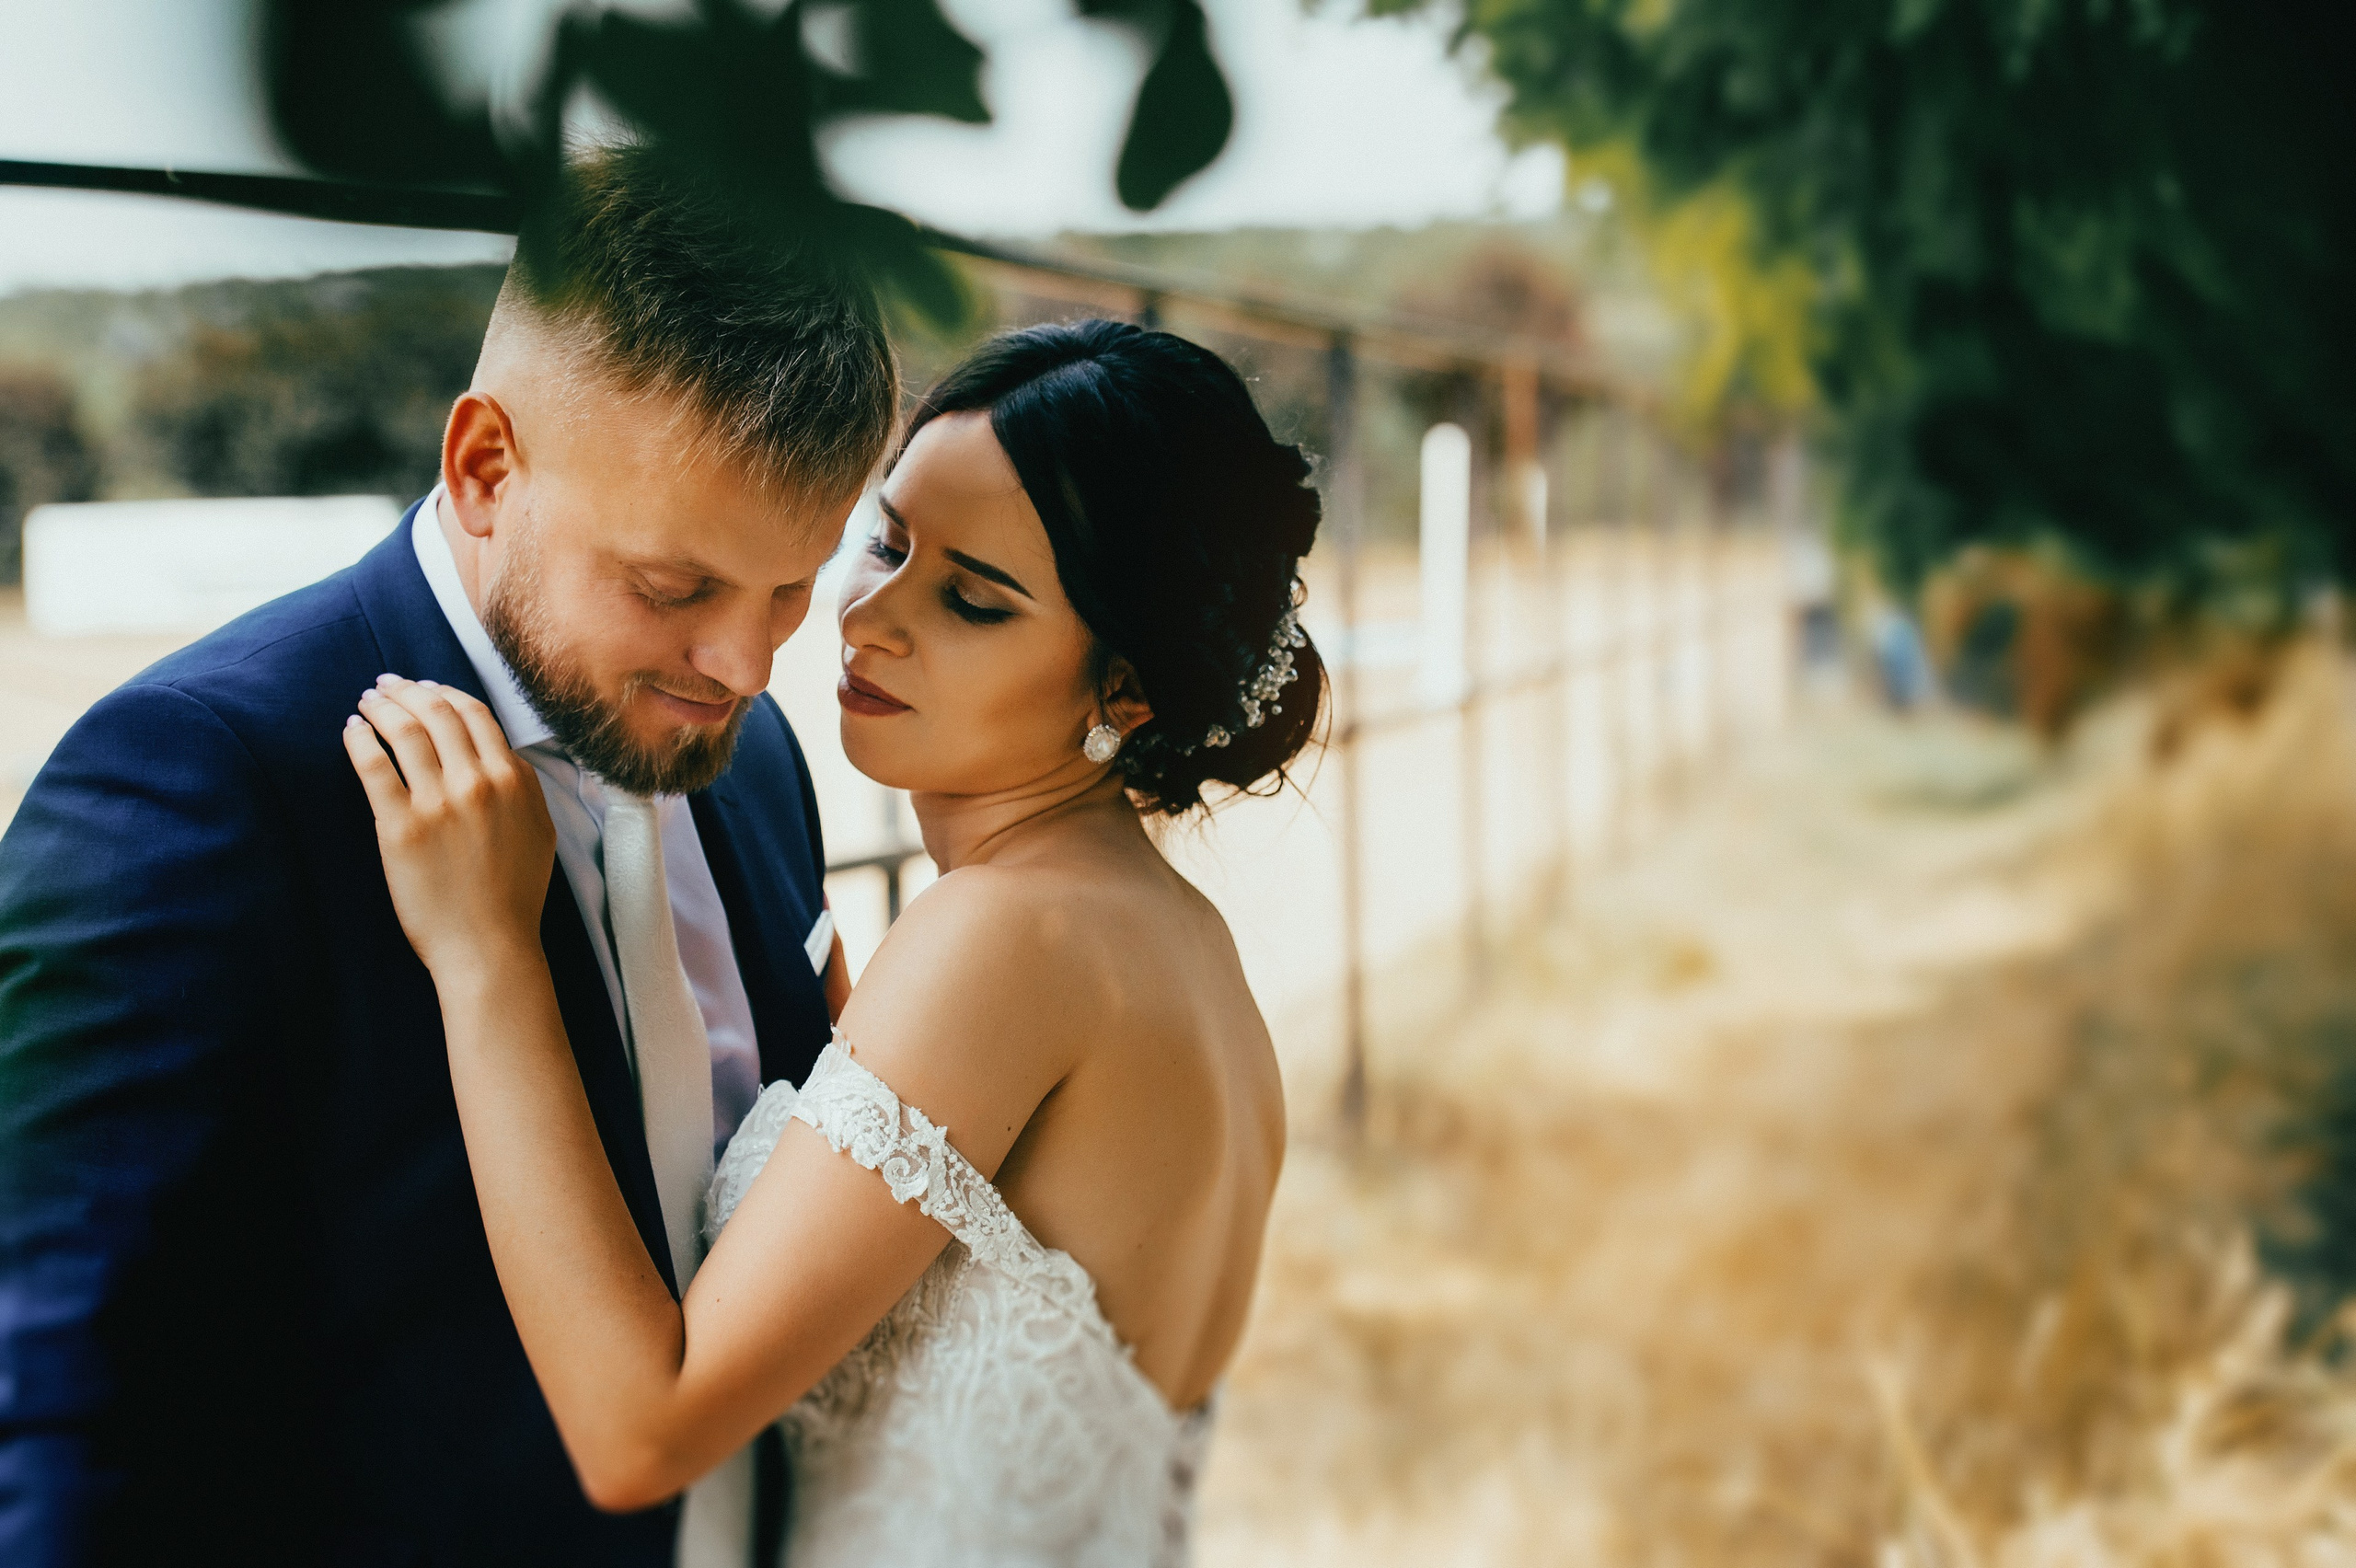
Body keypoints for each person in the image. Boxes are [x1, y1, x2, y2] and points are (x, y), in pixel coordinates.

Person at [0, 147, 895, 1565]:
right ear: (485, 467)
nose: (741, 661)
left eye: (794, 584)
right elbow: (58, 1419)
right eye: (675, 589)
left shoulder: (760, 761)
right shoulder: (198, 781)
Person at [343, 319, 1321, 1564]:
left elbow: (642, 1432)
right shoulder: (1171, 941)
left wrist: (488, 955)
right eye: (889, 541)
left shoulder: (1006, 939)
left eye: (973, 599)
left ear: (1125, 690)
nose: (870, 616)